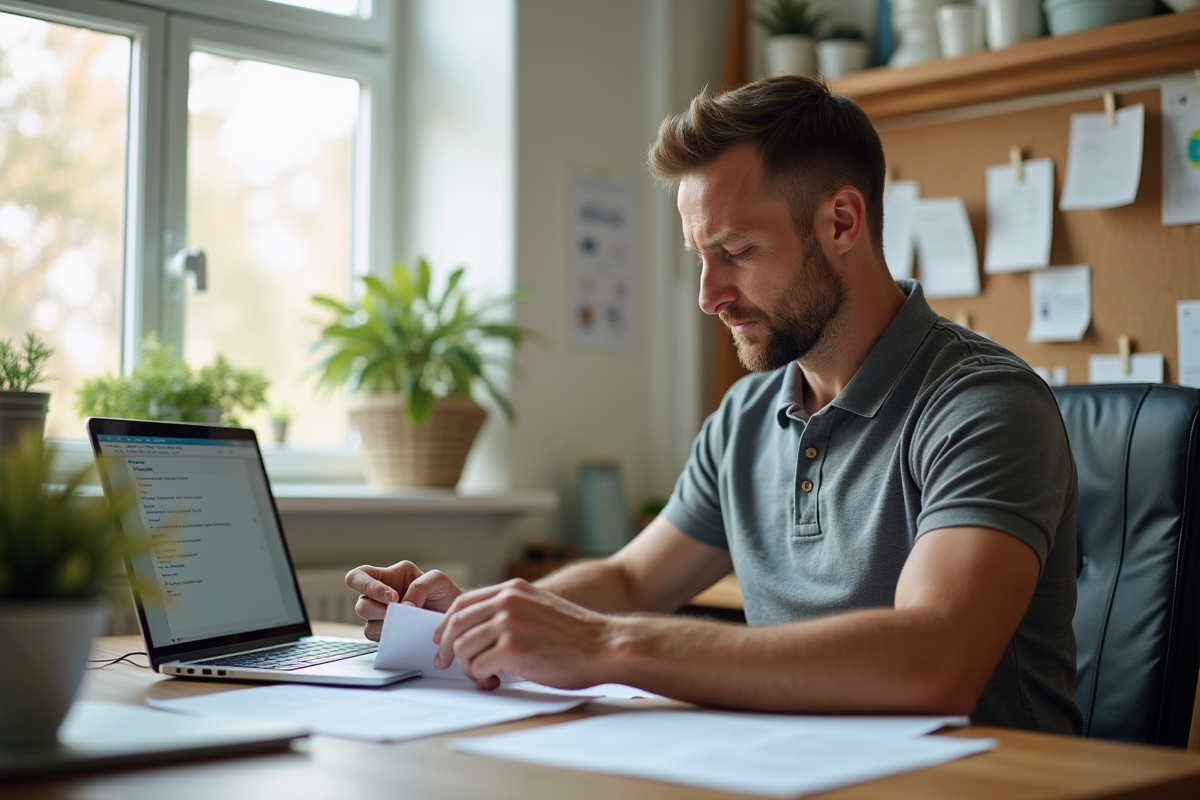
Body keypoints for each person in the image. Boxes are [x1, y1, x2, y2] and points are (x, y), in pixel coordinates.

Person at [346, 75, 1081, 734]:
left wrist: (611, 645)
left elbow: (934, 662)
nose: (708, 296)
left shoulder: (982, 405)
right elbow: (632, 579)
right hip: (795, 770)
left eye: (736, 252)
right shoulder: (745, 418)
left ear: (842, 222)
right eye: (700, 259)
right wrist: (488, 615)